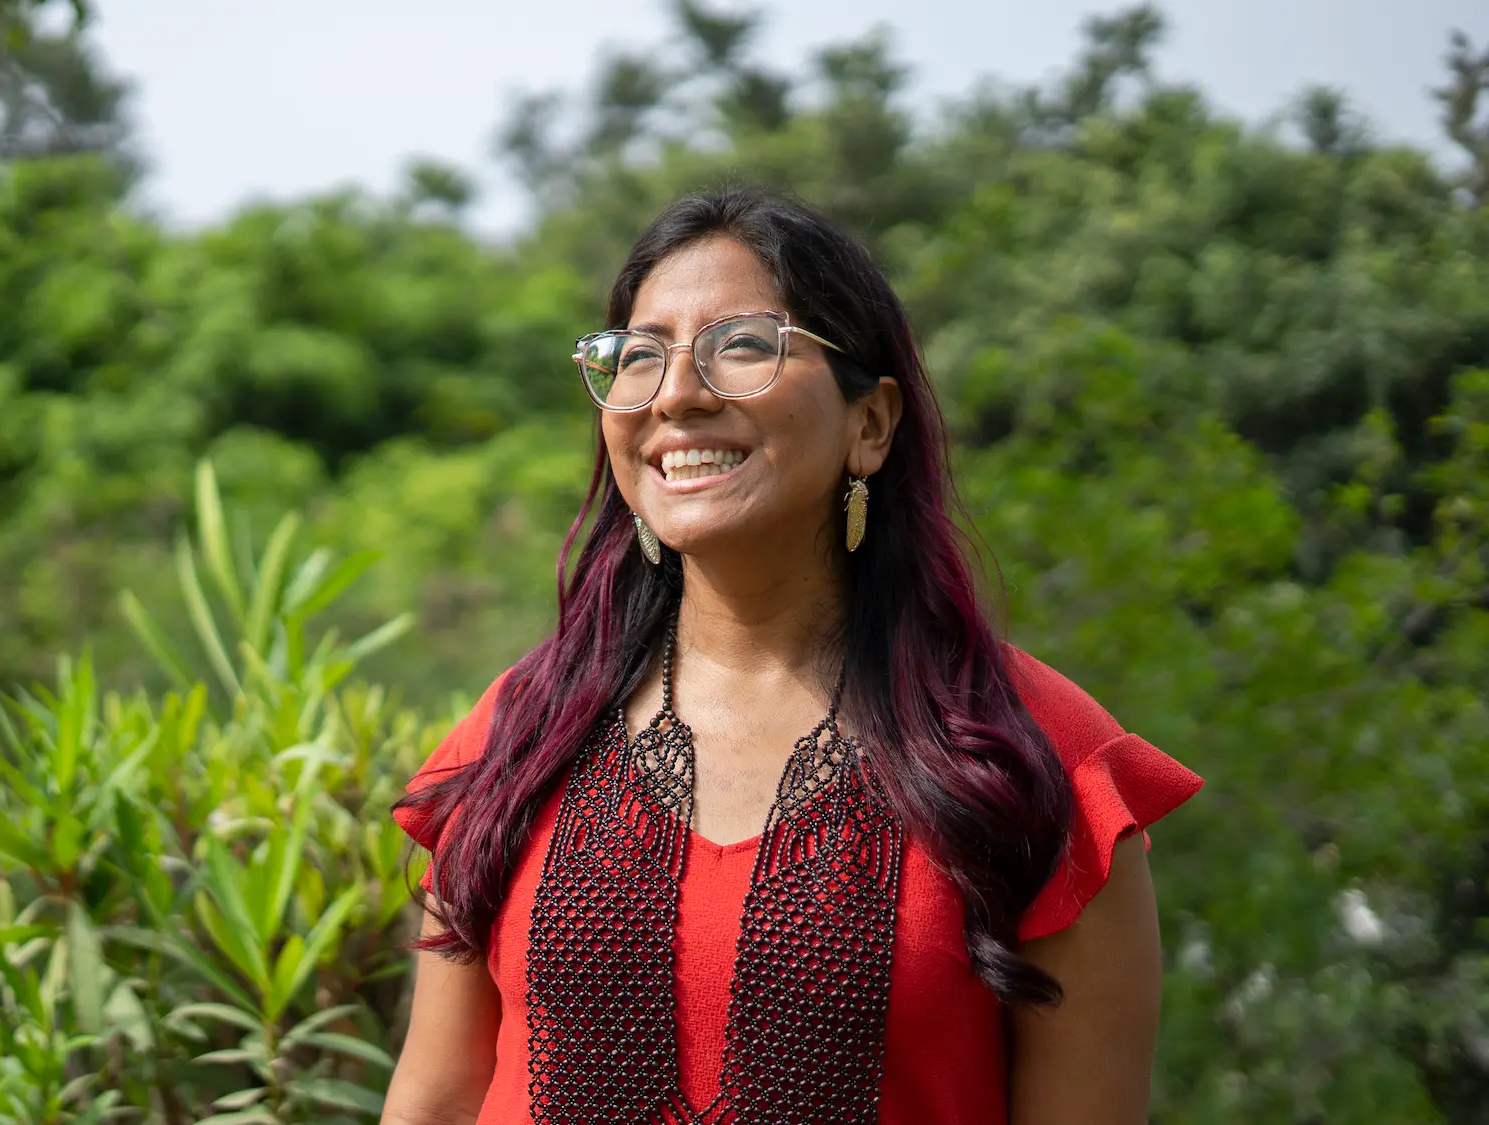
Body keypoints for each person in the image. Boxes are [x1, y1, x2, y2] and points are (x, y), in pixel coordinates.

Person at [380, 188, 1203, 1125]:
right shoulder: (525, 730)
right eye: (639, 356)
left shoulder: (1034, 757)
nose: (677, 395)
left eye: (741, 345)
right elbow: (435, 1101)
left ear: (872, 423)